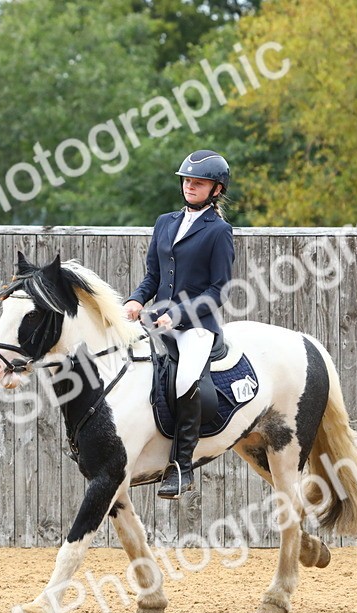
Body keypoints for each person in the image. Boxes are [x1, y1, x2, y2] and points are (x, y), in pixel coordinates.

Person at [123, 149, 234, 500]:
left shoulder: (219, 231)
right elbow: (153, 276)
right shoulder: (165, 222)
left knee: (186, 379)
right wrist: (136, 300)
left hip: (196, 326)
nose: (190, 186)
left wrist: (179, 315)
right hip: (158, 320)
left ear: (216, 189)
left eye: (198, 182)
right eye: (187, 180)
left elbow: (219, 289)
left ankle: (182, 466)